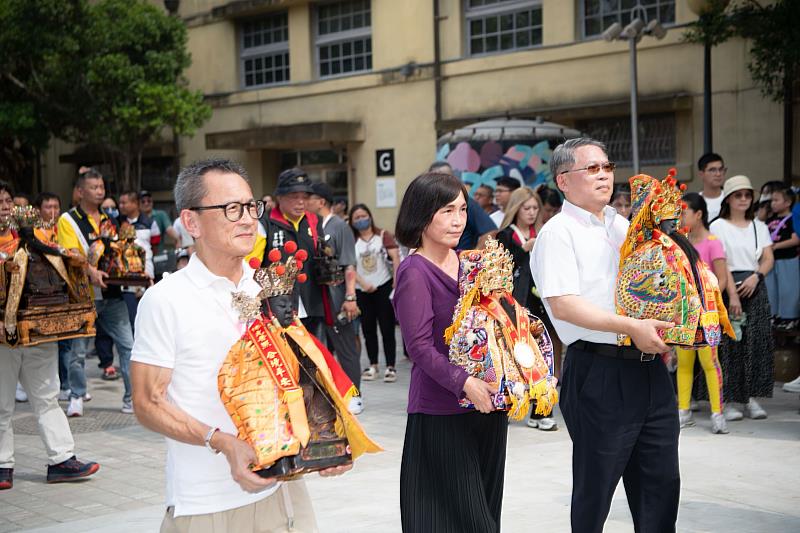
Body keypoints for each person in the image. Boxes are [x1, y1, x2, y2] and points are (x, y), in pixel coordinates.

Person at [131, 158, 344, 531]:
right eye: (232, 209)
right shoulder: (165, 300)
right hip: (206, 501)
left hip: (282, 489)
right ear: (191, 222)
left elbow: (296, 374)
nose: (248, 219)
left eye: (250, 206)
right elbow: (148, 403)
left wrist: (326, 440)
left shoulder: (268, 285)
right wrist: (221, 442)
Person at [531, 138, 679, 532]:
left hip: (649, 370)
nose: (604, 176)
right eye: (592, 168)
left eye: (607, 167)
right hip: (599, 371)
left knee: (660, 486)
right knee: (596, 491)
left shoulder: (622, 224)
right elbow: (564, 305)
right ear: (564, 180)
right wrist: (631, 327)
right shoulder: (558, 232)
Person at [394, 171, 507, 533]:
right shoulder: (414, 271)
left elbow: (495, 325)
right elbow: (419, 347)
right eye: (446, 211)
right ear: (421, 215)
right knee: (462, 520)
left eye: (462, 209)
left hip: (488, 405)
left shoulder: (470, 263)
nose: (458, 220)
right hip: (442, 410)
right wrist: (464, 383)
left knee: (487, 512)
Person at [0, 181, 99, 491]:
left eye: (7, 201)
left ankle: (61, 459)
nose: (5, 206)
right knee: (2, 404)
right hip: (3, 334)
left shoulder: (35, 239)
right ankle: (2, 465)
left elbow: (62, 263)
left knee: (47, 397)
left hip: (39, 329)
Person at [58, 169, 135, 416]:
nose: (100, 191)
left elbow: (121, 252)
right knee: (78, 351)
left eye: (101, 187)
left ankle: (132, 398)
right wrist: (91, 271)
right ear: (80, 191)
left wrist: (135, 270)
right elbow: (71, 254)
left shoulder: (110, 219)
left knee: (128, 346)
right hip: (82, 296)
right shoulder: (68, 220)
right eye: (94, 187)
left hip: (112, 295)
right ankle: (77, 395)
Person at [710, 175, 775, 420]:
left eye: (748, 195)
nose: (744, 199)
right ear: (728, 198)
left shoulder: (759, 226)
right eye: (738, 195)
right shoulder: (718, 226)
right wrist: (733, 295)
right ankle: (728, 400)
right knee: (730, 347)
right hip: (729, 286)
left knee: (756, 343)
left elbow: (768, 258)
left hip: (755, 286)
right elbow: (721, 262)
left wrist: (756, 276)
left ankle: (751, 398)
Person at [495, 187, 558, 432]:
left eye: (535, 208)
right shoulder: (505, 235)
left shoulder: (543, 233)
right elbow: (500, 269)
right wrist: (524, 250)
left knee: (541, 357)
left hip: (539, 305)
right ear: (516, 209)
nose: (531, 213)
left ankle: (541, 411)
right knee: (510, 357)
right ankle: (506, 405)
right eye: (526, 208)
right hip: (511, 305)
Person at [250, 168, 329, 343]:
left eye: (305, 197)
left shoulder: (314, 222)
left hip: (312, 303)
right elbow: (251, 265)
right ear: (279, 197)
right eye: (294, 196)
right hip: (279, 310)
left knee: (315, 354)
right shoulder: (265, 224)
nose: (301, 202)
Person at [678, 193, 734, 434]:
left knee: (710, 363)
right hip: (684, 313)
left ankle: (717, 413)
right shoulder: (680, 241)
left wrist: (705, 301)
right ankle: (683, 410)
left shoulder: (713, 242)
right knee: (684, 363)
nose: (680, 217)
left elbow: (721, 279)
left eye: (683, 212)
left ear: (698, 214)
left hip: (707, 313)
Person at [308, 182, 364, 414]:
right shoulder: (309, 226)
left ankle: (354, 395)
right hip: (315, 297)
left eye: (309, 198)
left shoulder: (340, 226)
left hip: (338, 294)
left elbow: (349, 263)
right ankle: (327, 396)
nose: (304, 202)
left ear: (321, 201)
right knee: (319, 348)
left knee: (346, 347)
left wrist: (350, 296)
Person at [350, 203, 401, 383]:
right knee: (368, 329)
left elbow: (396, 257)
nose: (361, 220)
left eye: (363, 216)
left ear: (370, 216)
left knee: (387, 328)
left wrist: (396, 280)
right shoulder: (351, 240)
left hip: (384, 286)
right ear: (352, 222)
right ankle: (373, 365)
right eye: (357, 218)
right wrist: (362, 283)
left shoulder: (382, 235)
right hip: (362, 290)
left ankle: (390, 366)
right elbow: (348, 266)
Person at [429, 161, 497, 249]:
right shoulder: (425, 203)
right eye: (436, 178)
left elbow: (490, 232)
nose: (443, 181)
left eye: (447, 177)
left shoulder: (465, 202)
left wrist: (472, 255)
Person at [765, 185, 800, 330]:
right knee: (771, 289)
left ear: (788, 202)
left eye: (776, 200)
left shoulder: (793, 218)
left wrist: (776, 246)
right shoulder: (769, 219)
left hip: (788, 258)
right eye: (771, 200)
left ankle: (790, 317)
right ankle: (774, 315)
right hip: (771, 260)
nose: (772, 203)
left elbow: (796, 239)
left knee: (788, 288)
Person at [697, 153, 727, 221]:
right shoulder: (696, 202)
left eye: (721, 169)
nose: (718, 174)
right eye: (712, 170)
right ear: (701, 174)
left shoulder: (730, 199)